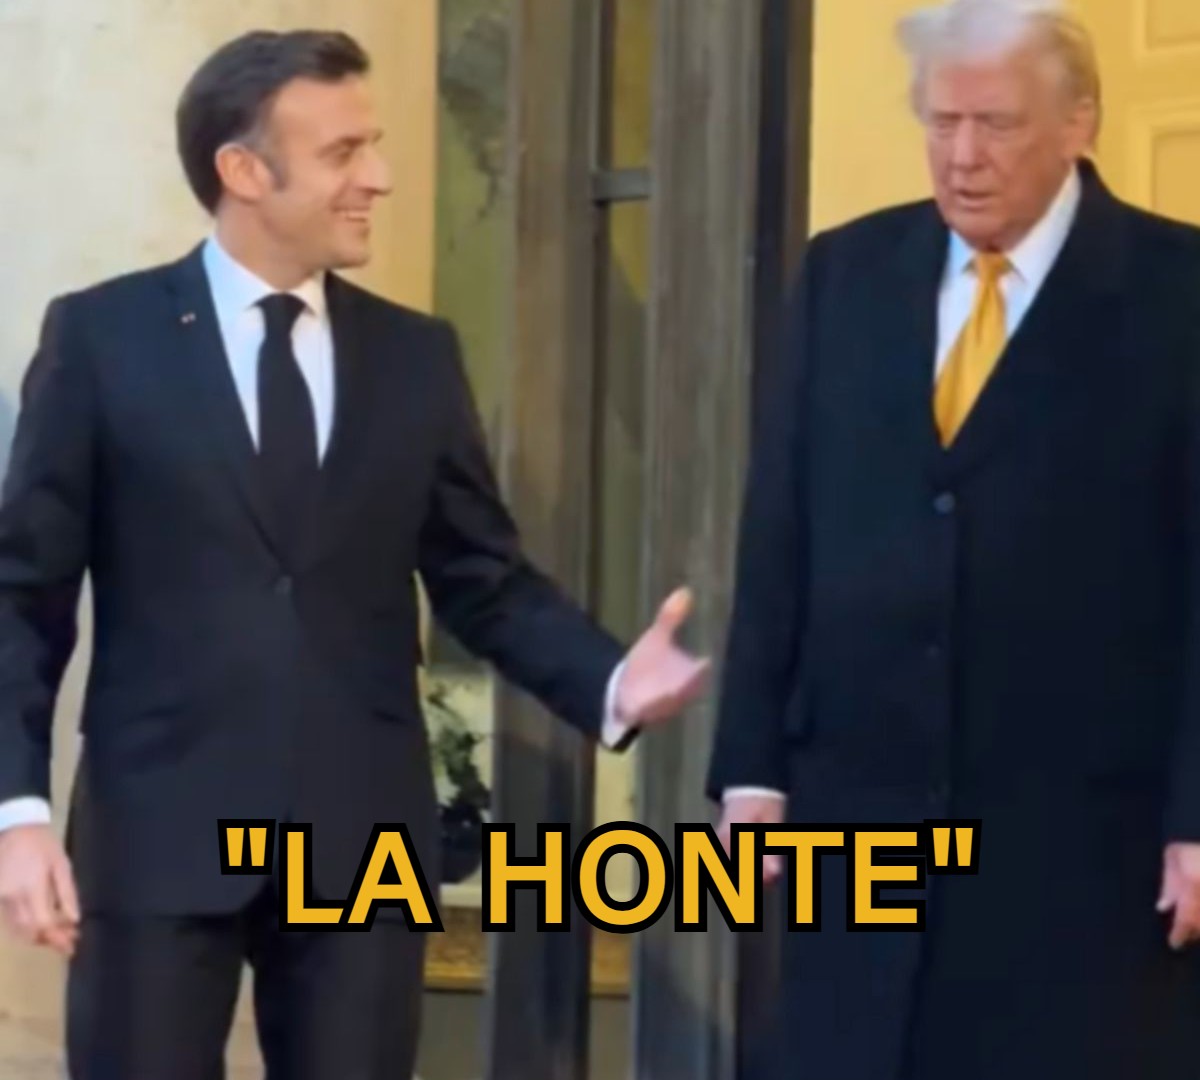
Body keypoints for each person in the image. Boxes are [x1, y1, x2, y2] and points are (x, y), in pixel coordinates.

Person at [0, 29, 707, 1080]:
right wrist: (17, 813)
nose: (378, 176)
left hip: (362, 843)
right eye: (342, 152)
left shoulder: (415, 355)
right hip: (158, 838)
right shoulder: (103, 341)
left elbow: (483, 578)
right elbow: (23, 594)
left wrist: (609, 679)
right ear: (244, 171)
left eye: (372, 145)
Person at [709, 2, 1200, 1078]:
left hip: (1080, 845)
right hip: (860, 823)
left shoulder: (1177, 293)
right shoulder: (845, 273)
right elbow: (780, 530)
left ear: (1078, 122)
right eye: (942, 123)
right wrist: (750, 768)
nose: (962, 157)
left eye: (996, 124)